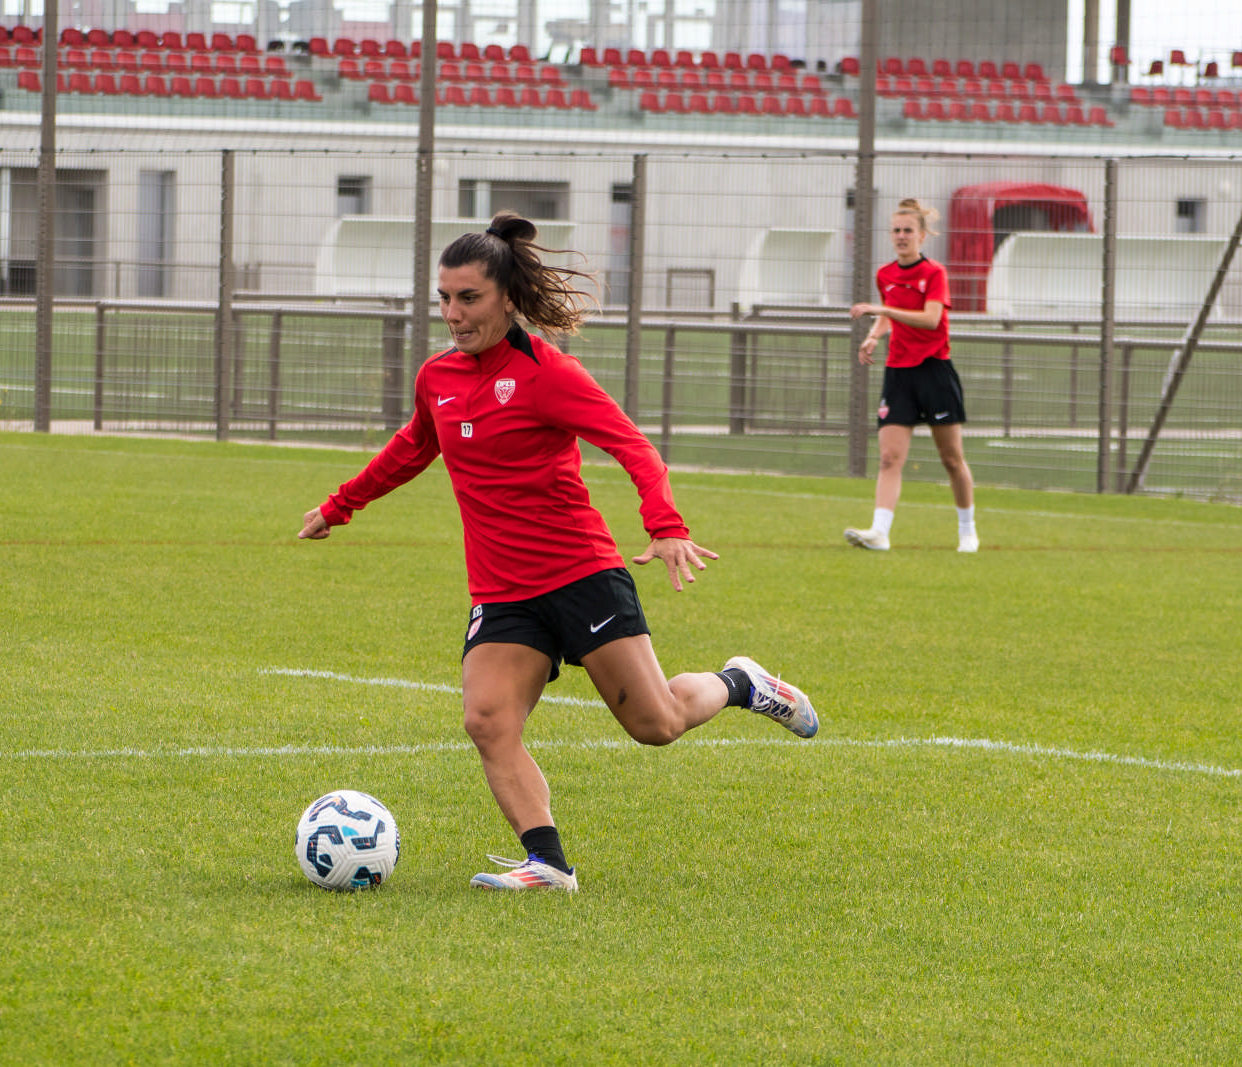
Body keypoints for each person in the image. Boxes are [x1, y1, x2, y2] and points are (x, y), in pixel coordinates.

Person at [298, 211, 818, 893]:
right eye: (444, 298)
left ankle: (742, 684)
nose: (453, 314)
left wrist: (664, 523)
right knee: (487, 720)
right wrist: (339, 506)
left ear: (508, 297)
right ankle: (547, 863)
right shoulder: (437, 377)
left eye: (469, 298)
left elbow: (632, 445)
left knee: (656, 724)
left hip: (581, 575)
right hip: (503, 591)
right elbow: (413, 447)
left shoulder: (548, 374)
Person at [845, 198, 979, 553]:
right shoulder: (885, 274)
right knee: (889, 457)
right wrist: (874, 334)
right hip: (899, 373)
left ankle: (967, 531)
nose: (901, 236)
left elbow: (931, 319)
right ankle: (879, 533)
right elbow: (890, 314)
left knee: (951, 459)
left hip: (934, 371)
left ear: (922, 235)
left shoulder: (934, 273)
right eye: (896, 230)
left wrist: (883, 310)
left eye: (908, 230)